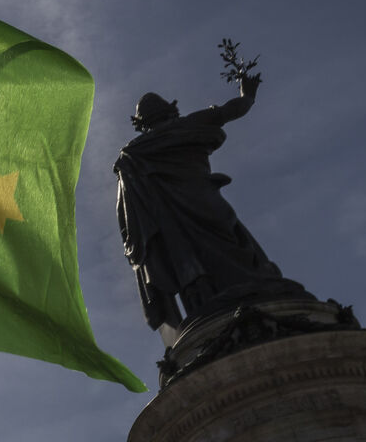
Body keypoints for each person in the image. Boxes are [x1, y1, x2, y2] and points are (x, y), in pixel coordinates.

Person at [114, 42, 301, 340]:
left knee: (190, 259)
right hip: (207, 200)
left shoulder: (132, 154)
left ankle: (207, 299)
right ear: (170, 110)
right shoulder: (188, 125)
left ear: (142, 124)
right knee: (237, 244)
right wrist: (248, 93)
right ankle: (257, 284)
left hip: (172, 223)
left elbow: (128, 217)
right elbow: (232, 110)